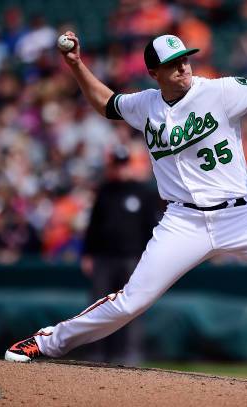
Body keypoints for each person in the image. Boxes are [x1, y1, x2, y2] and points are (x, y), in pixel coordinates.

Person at [4, 32, 247, 388]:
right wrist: (76, 65)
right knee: (132, 301)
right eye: (174, 64)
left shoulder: (219, 91)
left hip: (239, 215)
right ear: (154, 72)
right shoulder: (145, 104)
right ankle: (46, 343)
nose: (184, 67)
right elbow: (106, 103)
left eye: (186, 59)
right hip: (183, 221)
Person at [81, 145, 159, 365]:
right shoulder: (104, 191)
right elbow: (93, 225)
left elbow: (151, 227)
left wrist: (149, 258)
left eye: (123, 164)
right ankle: (96, 354)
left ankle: (130, 355)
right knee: (98, 306)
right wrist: (87, 254)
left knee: (131, 307)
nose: (120, 169)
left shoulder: (142, 192)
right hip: (103, 258)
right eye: (117, 165)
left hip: (132, 259)